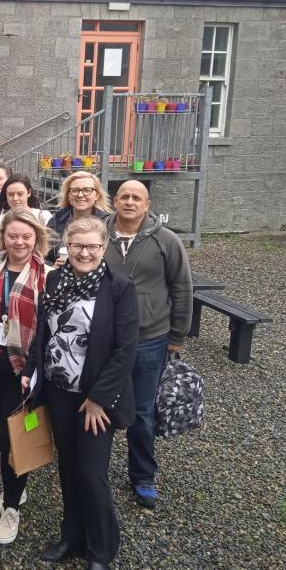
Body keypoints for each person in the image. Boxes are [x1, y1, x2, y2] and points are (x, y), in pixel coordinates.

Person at [22, 216, 138, 570]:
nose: (84, 253)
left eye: (91, 246)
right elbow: (43, 333)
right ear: (66, 248)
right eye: (77, 246)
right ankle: (71, 537)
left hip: (95, 402)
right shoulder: (55, 281)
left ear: (103, 247)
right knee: (68, 469)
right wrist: (31, 370)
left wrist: (98, 399)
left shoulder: (119, 288)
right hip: (58, 392)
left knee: (92, 474)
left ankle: (101, 551)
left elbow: (125, 351)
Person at [103, 180, 192, 509]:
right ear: (114, 201)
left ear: (146, 204)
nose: (129, 202)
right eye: (124, 196)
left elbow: (182, 289)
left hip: (149, 338)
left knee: (142, 412)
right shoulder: (100, 234)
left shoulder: (166, 241)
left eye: (135, 197)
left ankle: (142, 475)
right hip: (105, 339)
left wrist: (177, 336)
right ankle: (96, 468)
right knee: (100, 405)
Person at [0, 208, 49, 545]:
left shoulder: (47, 275)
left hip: (24, 369)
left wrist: (33, 369)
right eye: (13, 235)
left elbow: (48, 329)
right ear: (3, 237)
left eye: (26, 236)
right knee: (4, 432)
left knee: (11, 435)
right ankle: (18, 484)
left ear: (36, 238)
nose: (19, 241)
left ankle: (12, 507)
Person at [47, 171, 111, 264]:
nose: (80, 195)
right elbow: (42, 255)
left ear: (97, 195)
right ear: (68, 195)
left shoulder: (108, 222)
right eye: (75, 190)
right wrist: (53, 267)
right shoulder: (56, 221)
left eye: (87, 190)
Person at [0, 174, 52, 243]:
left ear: (29, 192)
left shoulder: (44, 217)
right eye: (11, 194)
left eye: (20, 194)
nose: (15, 198)